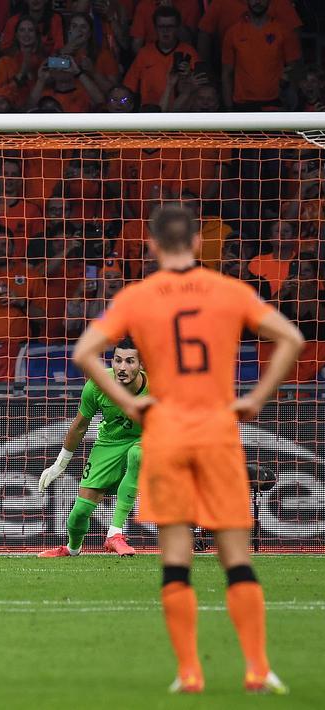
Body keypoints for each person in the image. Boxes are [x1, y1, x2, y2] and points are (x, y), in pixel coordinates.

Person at [71, 204, 303, 694]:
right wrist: (257, 398)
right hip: (217, 428)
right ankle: (257, 669)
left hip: (167, 431)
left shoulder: (139, 296)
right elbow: (292, 337)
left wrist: (130, 405)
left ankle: (190, 672)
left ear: (152, 246)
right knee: (235, 557)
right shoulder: (229, 291)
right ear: (198, 243)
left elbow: (84, 352)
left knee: (175, 557)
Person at [37, 336, 147, 558]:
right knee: (79, 513)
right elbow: (79, 427)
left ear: (142, 364)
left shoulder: (159, 387)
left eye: (129, 361)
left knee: (138, 453)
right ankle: (72, 548)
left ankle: (115, 534)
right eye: (117, 360)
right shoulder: (97, 385)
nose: (122, 367)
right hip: (108, 444)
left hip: (145, 441)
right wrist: (59, 466)